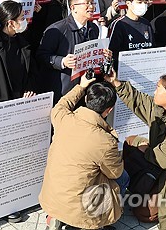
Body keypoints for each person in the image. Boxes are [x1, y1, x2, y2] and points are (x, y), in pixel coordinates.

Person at [105, 70, 166, 230]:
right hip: (160, 164)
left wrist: (146, 150)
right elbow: (139, 100)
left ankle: (155, 196)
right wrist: (115, 82)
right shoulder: (164, 110)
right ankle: (139, 184)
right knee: (131, 142)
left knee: (144, 214)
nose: (154, 91)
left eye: (158, 88)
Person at [39, 74, 126, 230]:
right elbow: (115, 173)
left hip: (52, 198)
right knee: (123, 178)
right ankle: (97, 224)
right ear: (109, 110)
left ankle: (56, 217)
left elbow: (62, 104)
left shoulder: (63, 118)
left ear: (86, 100)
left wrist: (81, 86)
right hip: (80, 207)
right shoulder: (105, 141)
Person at [37, 0, 101, 102]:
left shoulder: (94, 28)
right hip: (63, 90)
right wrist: (62, 61)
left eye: (92, 3)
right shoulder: (57, 29)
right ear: (73, 7)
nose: (91, 6)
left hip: (86, 87)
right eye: (87, 3)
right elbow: (41, 56)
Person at [108, 0, 154, 70]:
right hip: (125, 71)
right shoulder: (119, 24)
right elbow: (112, 52)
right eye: (139, 2)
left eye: (145, 3)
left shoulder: (146, 24)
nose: (143, 6)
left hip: (145, 69)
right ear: (128, 3)